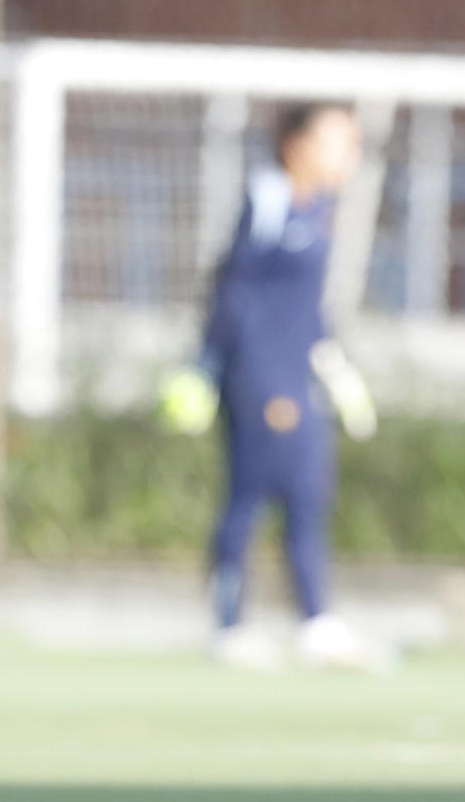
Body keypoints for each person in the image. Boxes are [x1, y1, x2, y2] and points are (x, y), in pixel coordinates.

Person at [160, 103, 379, 669]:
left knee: (309, 493)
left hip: (297, 376)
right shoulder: (269, 200)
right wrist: (220, 371)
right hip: (260, 379)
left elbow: (303, 310)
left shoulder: (320, 207)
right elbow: (235, 296)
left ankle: (315, 622)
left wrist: (333, 367)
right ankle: (229, 628)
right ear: (296, 145)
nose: (350, 154)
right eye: (338, 141)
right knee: (250, 496)